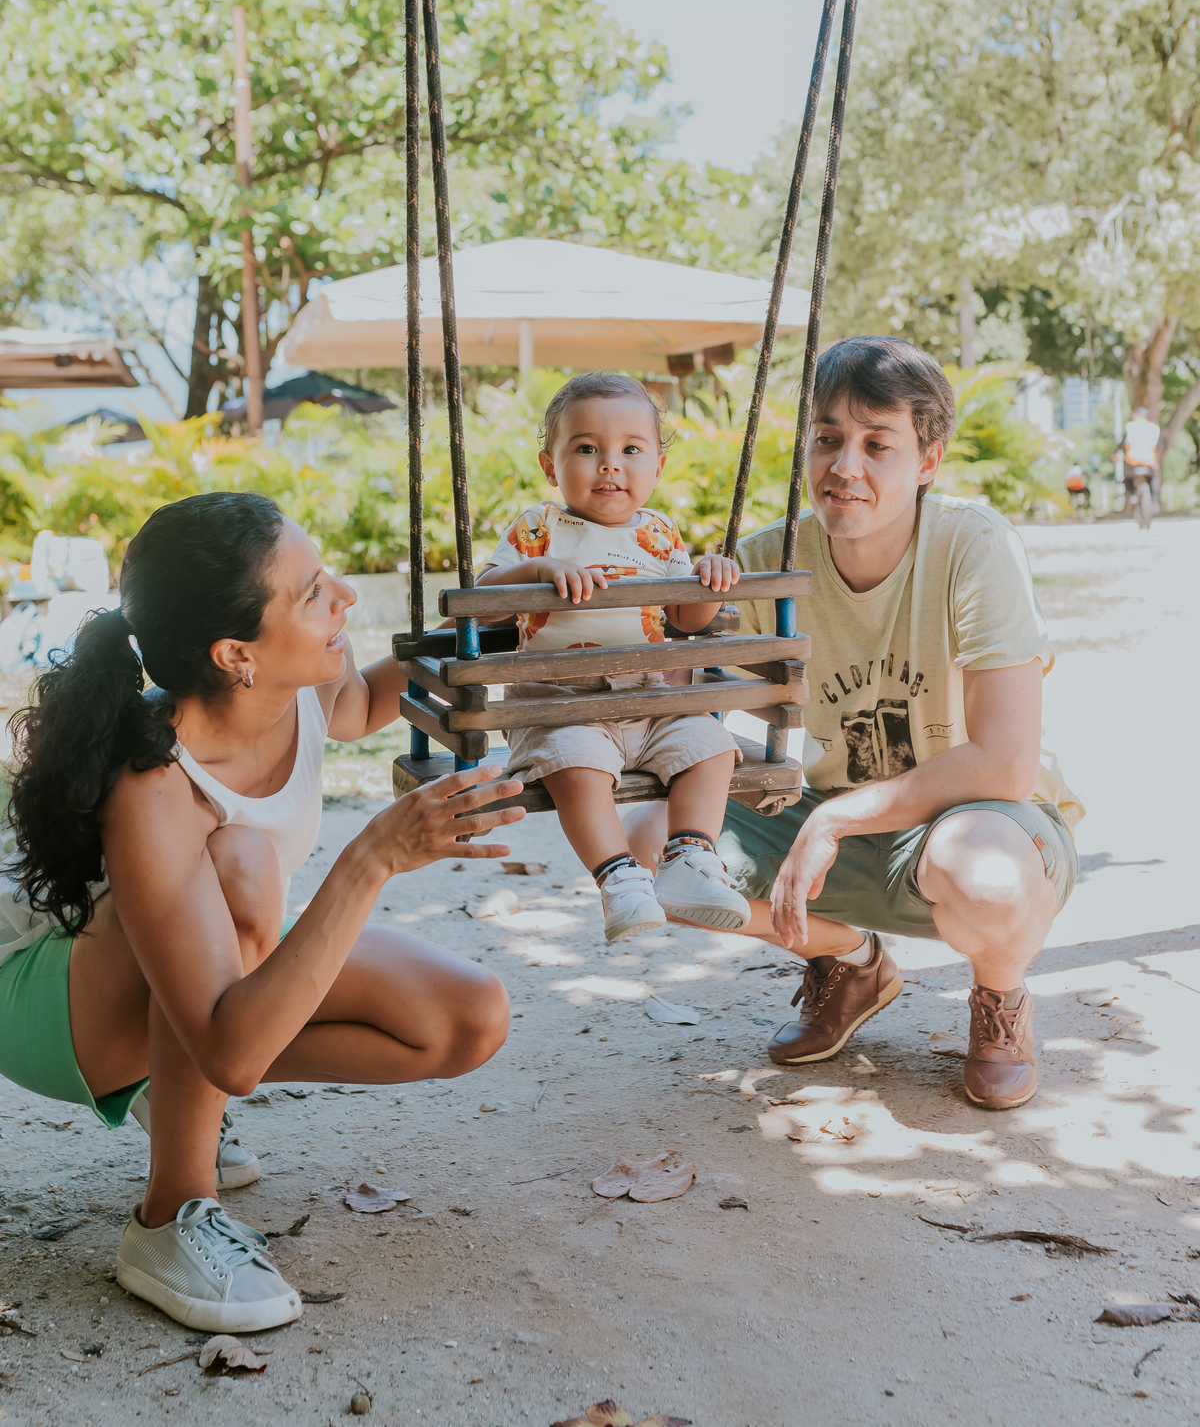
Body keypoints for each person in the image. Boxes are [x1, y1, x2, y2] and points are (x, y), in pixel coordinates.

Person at [0, 493, 523, 1331]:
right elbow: (235, 1055)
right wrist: (375, 856)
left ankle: (170, 1091)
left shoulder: (305, 690)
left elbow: (380, 694)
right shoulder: (153, 780)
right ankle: (171, 1217)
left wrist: (515, 618)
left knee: (465, 1018)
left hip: (199, 960)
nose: (345, 595)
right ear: (236, 654)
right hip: (51, 1007)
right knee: (241, 865)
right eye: (313, 590)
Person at [627, 337, 1082, 1111]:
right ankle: (853, 960)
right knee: (649, 843)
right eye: (829, 439)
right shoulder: (771, 556)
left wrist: (834, 818)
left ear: (928, 459)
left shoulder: (974, 546)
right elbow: (677, 680)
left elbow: (1004, 761)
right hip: (832, 818)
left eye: (878, 445)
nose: (845, 467)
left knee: (990, 878)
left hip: (981, 823)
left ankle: (1000, 997)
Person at [476, 371, 751, 944]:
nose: (609, 464)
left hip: (651, 702)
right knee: (576, 763)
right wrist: (538, 572)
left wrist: (708, 581)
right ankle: (619, 877)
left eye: (630, 449)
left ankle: (690, 860)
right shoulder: (539, 528)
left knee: (712, 745)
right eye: (586, 449)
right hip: (560, 707)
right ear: (551, 467)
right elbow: (481, 604)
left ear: (657, 468)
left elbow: (686, 620)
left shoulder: (660, 534)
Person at [1121, 408, 1161, 513]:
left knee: (1127, 477)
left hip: (1132, 461)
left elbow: (1121, 443)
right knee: (1153, 478)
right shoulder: (1154, 428)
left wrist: (1116, 454)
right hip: (1149, 461)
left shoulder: (1130, 426)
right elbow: (1160, 445)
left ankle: (1132, 494)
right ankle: (1154, 498)